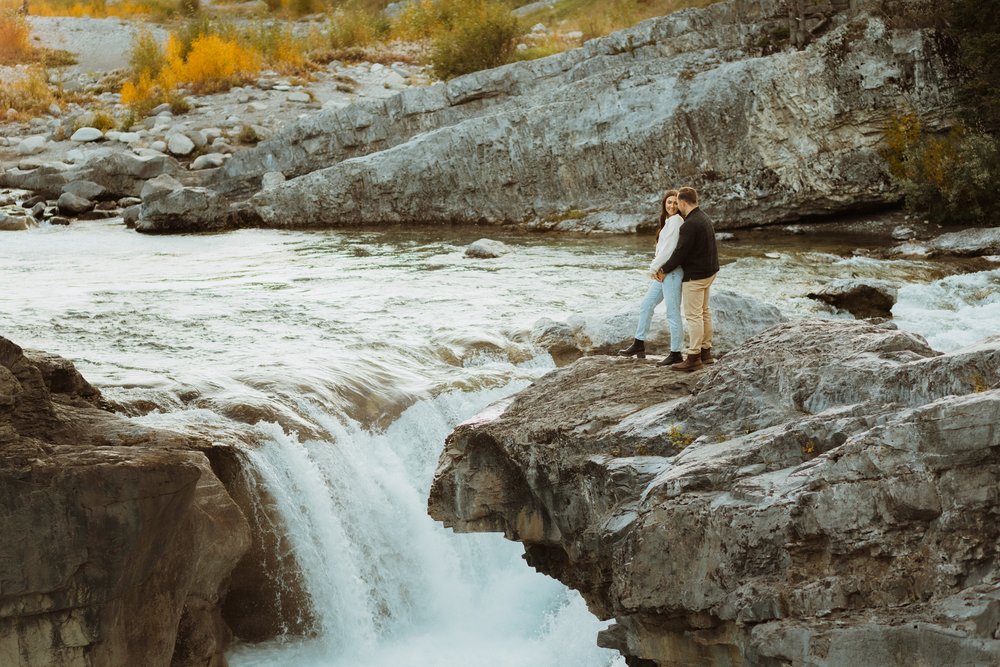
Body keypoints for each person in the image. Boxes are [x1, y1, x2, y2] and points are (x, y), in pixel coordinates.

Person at [654, 186, 719, 371]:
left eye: (678, 203)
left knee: (694, 316)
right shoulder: (703, 217)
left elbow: (680, 253)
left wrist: (664, 269)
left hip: (696, 277)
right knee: (705, 312)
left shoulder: (689, 224)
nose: (677, 207)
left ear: (682, 202)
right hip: (710, 272)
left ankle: (693, 357)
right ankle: (706, 353)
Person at [618, 190, 685, 364]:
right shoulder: (668, 222)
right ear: (664, 204)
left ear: (680, 205)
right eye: (669, 202)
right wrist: (656, 270)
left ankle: (676, 353)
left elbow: (668, 251)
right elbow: (661, 250)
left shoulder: (677, 221)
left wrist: (653, 269)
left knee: (672, 313)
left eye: (675, 203)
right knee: (647, 305)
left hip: (671, 273)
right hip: (662, 273)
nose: (672, 206)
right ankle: (639, 343)